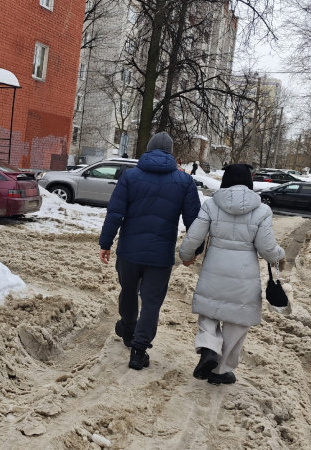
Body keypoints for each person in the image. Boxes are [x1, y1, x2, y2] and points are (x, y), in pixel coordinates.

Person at [99, 132, 200, 370]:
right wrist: (193, 251)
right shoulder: (184, 182)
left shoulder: (130, 176)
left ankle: (128, 326)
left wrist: (106, 243)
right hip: (160, 254)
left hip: (128, 252)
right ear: (171, 152)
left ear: (148, 148)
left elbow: (115, 213)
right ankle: (138, 350)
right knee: (152, 303)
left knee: (129, 290)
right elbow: (194, 221)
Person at [179, 164, 285, 385]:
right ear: (249, 182)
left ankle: (208, 347)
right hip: (244, 276)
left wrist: (185, 255)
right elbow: (267, 249)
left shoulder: (211, 205)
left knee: (209, 310)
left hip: (214, 269)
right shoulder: (262, 210)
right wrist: (279, 254)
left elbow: (194, 237)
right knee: (237, 321)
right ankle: (220, 370)